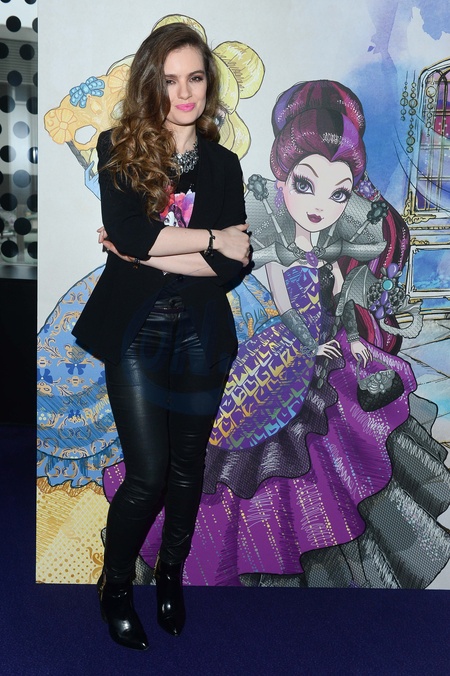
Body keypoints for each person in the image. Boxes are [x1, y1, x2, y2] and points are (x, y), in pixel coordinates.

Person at [102, 79, 450, 590]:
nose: (320, 205)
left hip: (323, 355)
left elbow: (336, 302)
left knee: (336, 453)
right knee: (243, 454)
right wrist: (137, 250)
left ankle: (324, 550)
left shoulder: (332, 250)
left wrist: (349, 338)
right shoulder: (264, 241)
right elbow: (274, 300)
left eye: (339, 193)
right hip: (280, 355)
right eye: (305, 185)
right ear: (281, 178)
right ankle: (219, 554)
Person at [72, 23, 250, 650]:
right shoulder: (119, 148)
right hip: (137, 331)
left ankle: (170, 573)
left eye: (195, 78)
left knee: (187, 466)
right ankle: (116, 585)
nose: (185, 92)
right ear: (152, 85)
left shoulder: (224, 165)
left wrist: (143, 251)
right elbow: (138, 234)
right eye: (171, 80)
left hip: (202, 332)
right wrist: (208, 239)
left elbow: (233, 266)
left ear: (208, 85)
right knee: (148, 473)